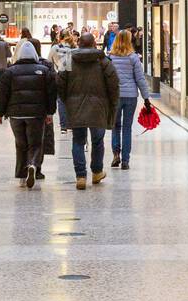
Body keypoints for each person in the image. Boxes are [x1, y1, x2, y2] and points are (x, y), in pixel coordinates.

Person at [58, 34, 119, 190]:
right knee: (97, 141)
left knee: (78, 141)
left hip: (75, 106)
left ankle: (80, 176)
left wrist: (67, 100)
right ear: (94, 44)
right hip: (99, 107)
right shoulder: (103, 61)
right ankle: (97, 172)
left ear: (79, 43)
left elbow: (60, 83)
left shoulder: (67, 59)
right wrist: (112, 104)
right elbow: (113, 84)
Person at [0, 40, 57, 188]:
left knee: (21, 144)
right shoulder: (44, 71)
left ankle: (22, 175)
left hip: (16, 115)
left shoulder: (10, 72)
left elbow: (2, 94)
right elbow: (51, 94)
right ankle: (33, 165)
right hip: (37, 115)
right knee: (35, 143)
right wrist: (50, 112)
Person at [109, 29, 152, 170]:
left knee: (115, 126)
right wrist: (146, 99)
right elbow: (140, 79)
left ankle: (116, 154)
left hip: (115, 96)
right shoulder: (133, 58)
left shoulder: (110, 57)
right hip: (130, 96)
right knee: (127, 127)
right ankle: (126, 160)